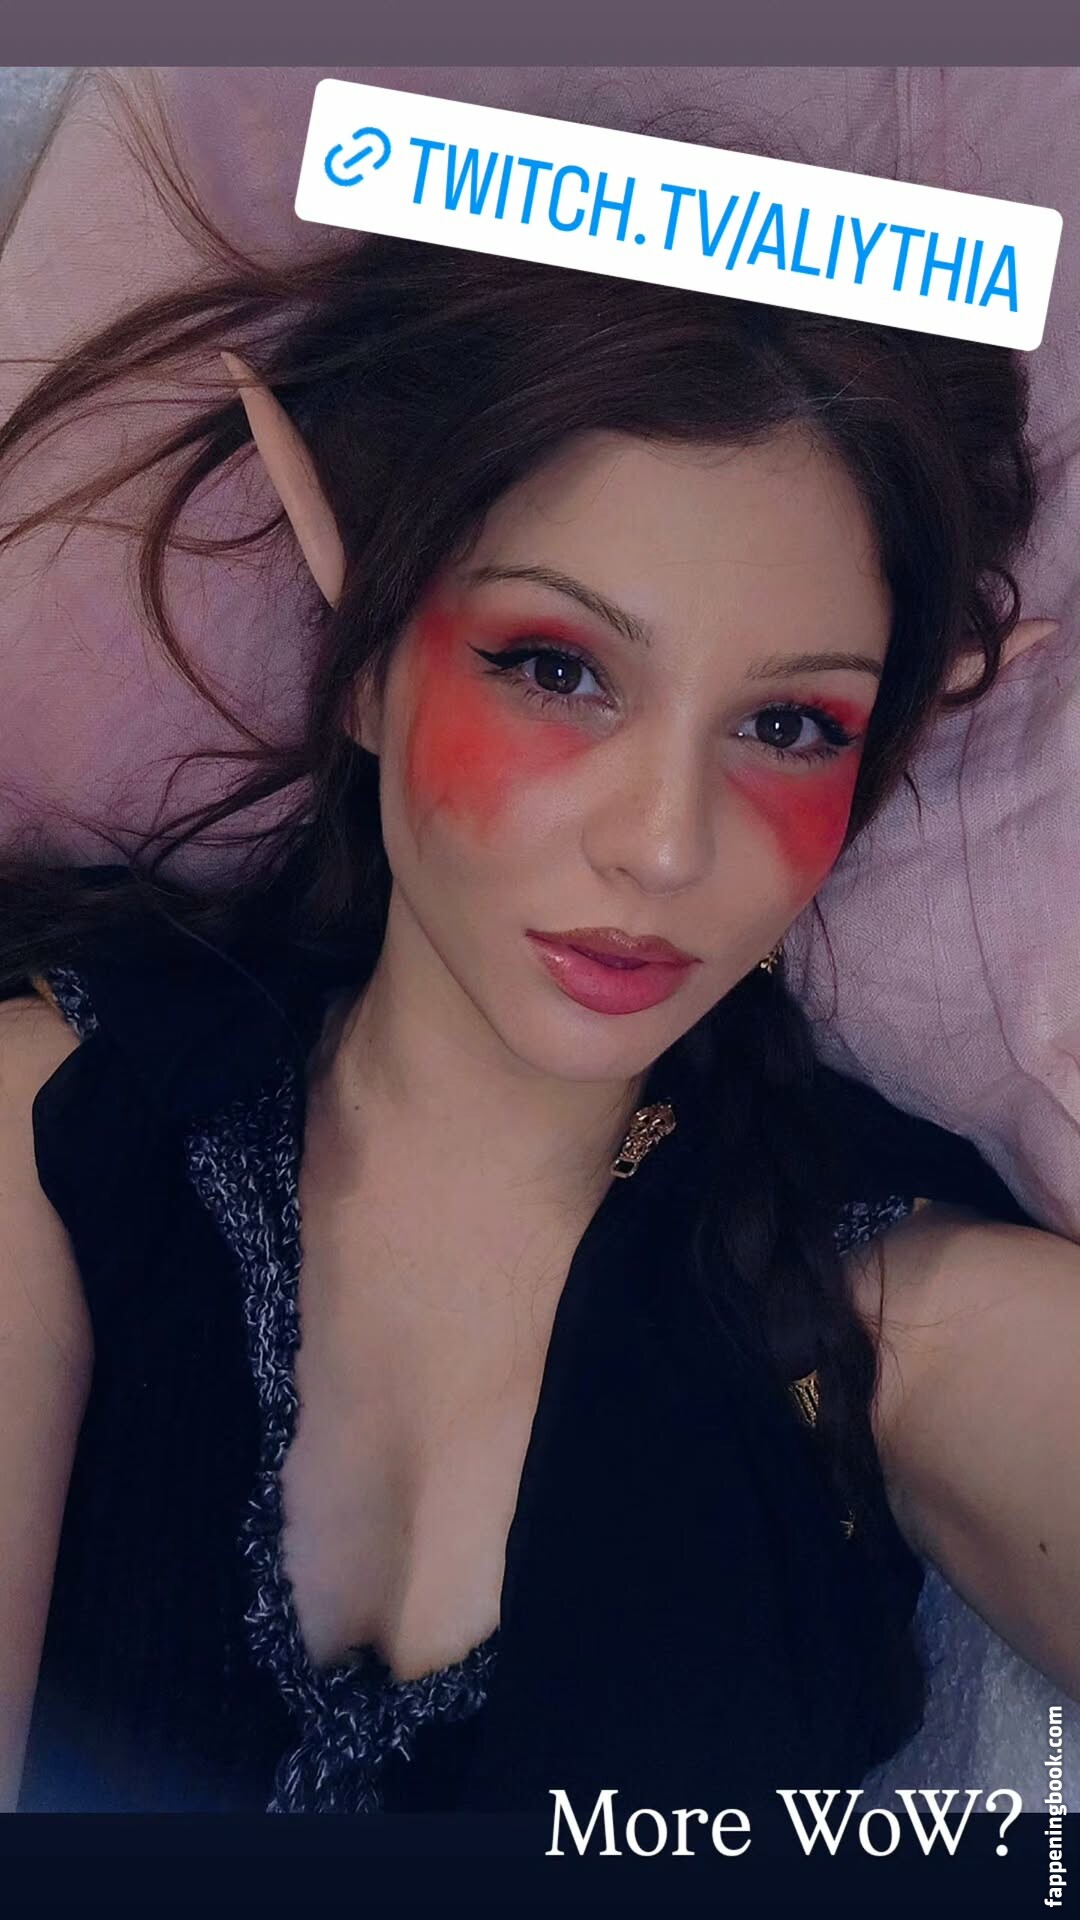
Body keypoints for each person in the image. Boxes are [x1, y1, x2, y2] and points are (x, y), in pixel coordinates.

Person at [0, 123, 1077, 1813]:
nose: (665, 845)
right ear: (366, 653)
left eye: (790, 725)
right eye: (558, 670)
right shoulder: (52, 1129)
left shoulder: (905, 1324)